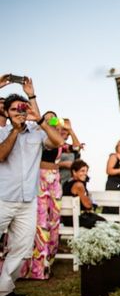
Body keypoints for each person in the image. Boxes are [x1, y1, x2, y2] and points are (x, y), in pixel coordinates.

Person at [0, 82, 64, 296]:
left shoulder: (36, 133)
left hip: (28, 201)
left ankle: (4, 290)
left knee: (23, 247)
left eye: (22, 107)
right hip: (3, 199)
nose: (19, 111)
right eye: (14, 109)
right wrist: (16, 131)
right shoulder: (2, 132)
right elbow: (1, 155)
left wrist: (39, 119)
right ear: (7, 113)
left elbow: (59, 141)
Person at [23, 111, 64, 280]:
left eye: (52, 118)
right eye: (46, 117)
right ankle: (36, 269)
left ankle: (48, 262)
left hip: (55, 180)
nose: (49, 120)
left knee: (54, 222)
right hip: (39, 178)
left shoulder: (57, 137)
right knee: (40, 223)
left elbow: (73, 147)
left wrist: (66, 127)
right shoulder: (38, 136)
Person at [61, 159, 105, 228]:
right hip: (76, 219)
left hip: (67, 219)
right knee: (104, 223)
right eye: (82, 171)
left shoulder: (67, 182)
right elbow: (87, 205)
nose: (85, 173)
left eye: (86, 171)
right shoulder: (79, 185)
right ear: (74, 172)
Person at [58, 119, 83, 186]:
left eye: (66, 130)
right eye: (62, 128)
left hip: (68, 182)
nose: (63, 131)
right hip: (53, 180)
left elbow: (77, 148)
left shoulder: (68, 147)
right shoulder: (49, 145)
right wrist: (62, 164)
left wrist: (70, 130)